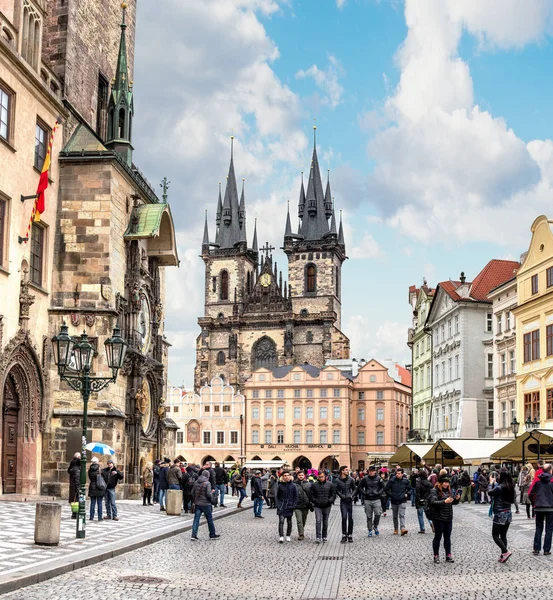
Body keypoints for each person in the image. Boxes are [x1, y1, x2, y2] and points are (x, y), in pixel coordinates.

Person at [428, 471, 460, 563]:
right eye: (445, 482)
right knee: (438, 536)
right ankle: (436, 555)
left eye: (447, 482)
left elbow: (451, 502)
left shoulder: (449, 491)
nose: (446, 484)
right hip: (438, 518)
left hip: (448, 517)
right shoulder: (434, 491)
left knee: (447, 537)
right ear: (440, 483)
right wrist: (444, 502)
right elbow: (433, 503)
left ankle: (448, 555)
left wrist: (456, 500)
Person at [488, 468, 515, 563]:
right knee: (503, 535)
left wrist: (491, 483)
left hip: (500, 513)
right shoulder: (511, 486)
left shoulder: (499, 487)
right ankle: (503, 555)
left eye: (499, 475)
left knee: (495, 535)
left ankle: (506, 552)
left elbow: (490, 492)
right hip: (508, 512)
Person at [529, 463, 553, 556]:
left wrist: (534, 503)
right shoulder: (552, 481)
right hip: (550, 508)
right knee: (549, 529)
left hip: (538, 507)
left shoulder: (537, 481)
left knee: (538, 528)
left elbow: (531, 493)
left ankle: (536, 548)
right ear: (550, 470)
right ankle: (546, 550)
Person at [190, 470, 220, 541]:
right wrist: (212, 496)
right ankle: (212, 534)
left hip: (198, 504)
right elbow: (208, 494)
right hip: (206, 504)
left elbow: (192, 492)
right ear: (207, 475)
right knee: (209, 519)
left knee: (196, 519)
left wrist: (196, 499)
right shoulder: (207, 483)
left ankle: (193, 535)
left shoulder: (196, 482)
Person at [358, 465, 385, 537]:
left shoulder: (379, 478)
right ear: (368, 471)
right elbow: (360, 487)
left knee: (378, 514)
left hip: (376, 499)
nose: (371, 472)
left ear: (375, 471)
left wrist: (379, 493)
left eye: (372, 471)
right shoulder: (365, 479)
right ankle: (370, 530)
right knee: (369, 516)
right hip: (368, 499)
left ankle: (375, 526)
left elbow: (383, 487)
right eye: (370, 471)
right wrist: (364, 493)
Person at [309, 470, 336, 543]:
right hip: (318, 505)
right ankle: (318, 537)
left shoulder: (330, 484)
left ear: (325, 477)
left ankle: (324, 536)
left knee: (325, 521)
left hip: (327, 505)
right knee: (318, 521)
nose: (320, 478)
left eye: (322, 477)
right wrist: (315, 501)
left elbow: (333, 494)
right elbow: (311, 495)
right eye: (319, 477)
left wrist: (330, 500)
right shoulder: (314, 484)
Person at [386, 466, 411, 536]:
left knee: (401, 515)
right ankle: (396, 529)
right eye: (397, 473)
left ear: (402, 474)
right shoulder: (392, 480)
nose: (397, 474)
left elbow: (410, 489)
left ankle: (402, 528)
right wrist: (391, 495)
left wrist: (407, 494)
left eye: (399, 473)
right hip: (394, 500)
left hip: (402, 500)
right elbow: (386, 489)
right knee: (395, 516)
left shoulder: (406, 481)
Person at [334, 465, 356, 543]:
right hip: (343, 501)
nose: (348, 471)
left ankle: (350, 534)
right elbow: (336, 490)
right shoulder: (337, 480)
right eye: (346, 470)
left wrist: (352, 496)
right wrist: (341, 495)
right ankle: (344, 534)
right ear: (342, 471)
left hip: (349, 500)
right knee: (344, 517)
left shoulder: (351, 479)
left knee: (350, 518)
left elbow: (355, 489)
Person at [276, 470, 298, 542]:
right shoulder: (280, 485)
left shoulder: (293, 485)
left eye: (287, 475)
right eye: (285, 476)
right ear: (282, 477)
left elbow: (296, 496)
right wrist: (278, 504)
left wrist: (294, 505)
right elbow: (277, 496)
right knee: (281, 521)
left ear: (290, 476)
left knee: (289, 521)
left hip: (290, 506)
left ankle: (288, 535)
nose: (286, 477)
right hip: (281, 506)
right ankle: (281, 536)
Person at [294, 470, 311, 540]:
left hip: (306, 505)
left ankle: (301, 530)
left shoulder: (308, 484)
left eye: (302, 475)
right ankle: (301, 533)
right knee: (299, 520)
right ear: (297, 476)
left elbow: (310, 494)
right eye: (299, 475)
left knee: (303, 520)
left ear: (304, 476)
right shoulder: (294, 484)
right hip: (297, 505)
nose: (300, 476)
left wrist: (311, 503)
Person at [415, 469, 433, 534]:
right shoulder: (430, 484)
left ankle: (422, 529)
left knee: (420, 515)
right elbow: (431, 493)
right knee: (428, 514)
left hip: (420, 501)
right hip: (428, 501)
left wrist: (417, 503)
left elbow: (417, 494)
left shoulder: (418, 484)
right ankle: (431, 523)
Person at [88, 456, 105, 521]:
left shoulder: (90, 470)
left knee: (92, 503)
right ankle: (100, 517)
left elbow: (90, 478)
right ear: (97, 462)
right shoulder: (100, 470)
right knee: (99, 503)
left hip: (92, 486)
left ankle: (91, 517)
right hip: (99, 487)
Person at [67, 452, 81, 519]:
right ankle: (76, 514)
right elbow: (77, 479)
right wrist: (78, 489)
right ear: (78, 457)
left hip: (72, 487)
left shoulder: (72, 466)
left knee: (73, 500)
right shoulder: (77, 468)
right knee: (77, 500)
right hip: (76, 487)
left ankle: (74, 513)